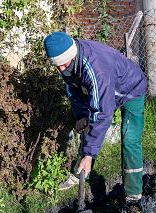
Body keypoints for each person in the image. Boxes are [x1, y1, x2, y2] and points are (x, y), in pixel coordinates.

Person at [43, 32, 146, 203]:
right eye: (57, 65)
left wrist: (89, 153)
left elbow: (102, 113)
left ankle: (134, 192)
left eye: (63, 64)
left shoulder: (95, 68)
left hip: (131, 89)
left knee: (130, 138)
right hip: (109, 89)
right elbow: (74, 92)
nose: (61, 69)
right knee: (88, 124)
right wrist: (81, 115)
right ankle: (79, 173)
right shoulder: (67, 62)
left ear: (73, 55)